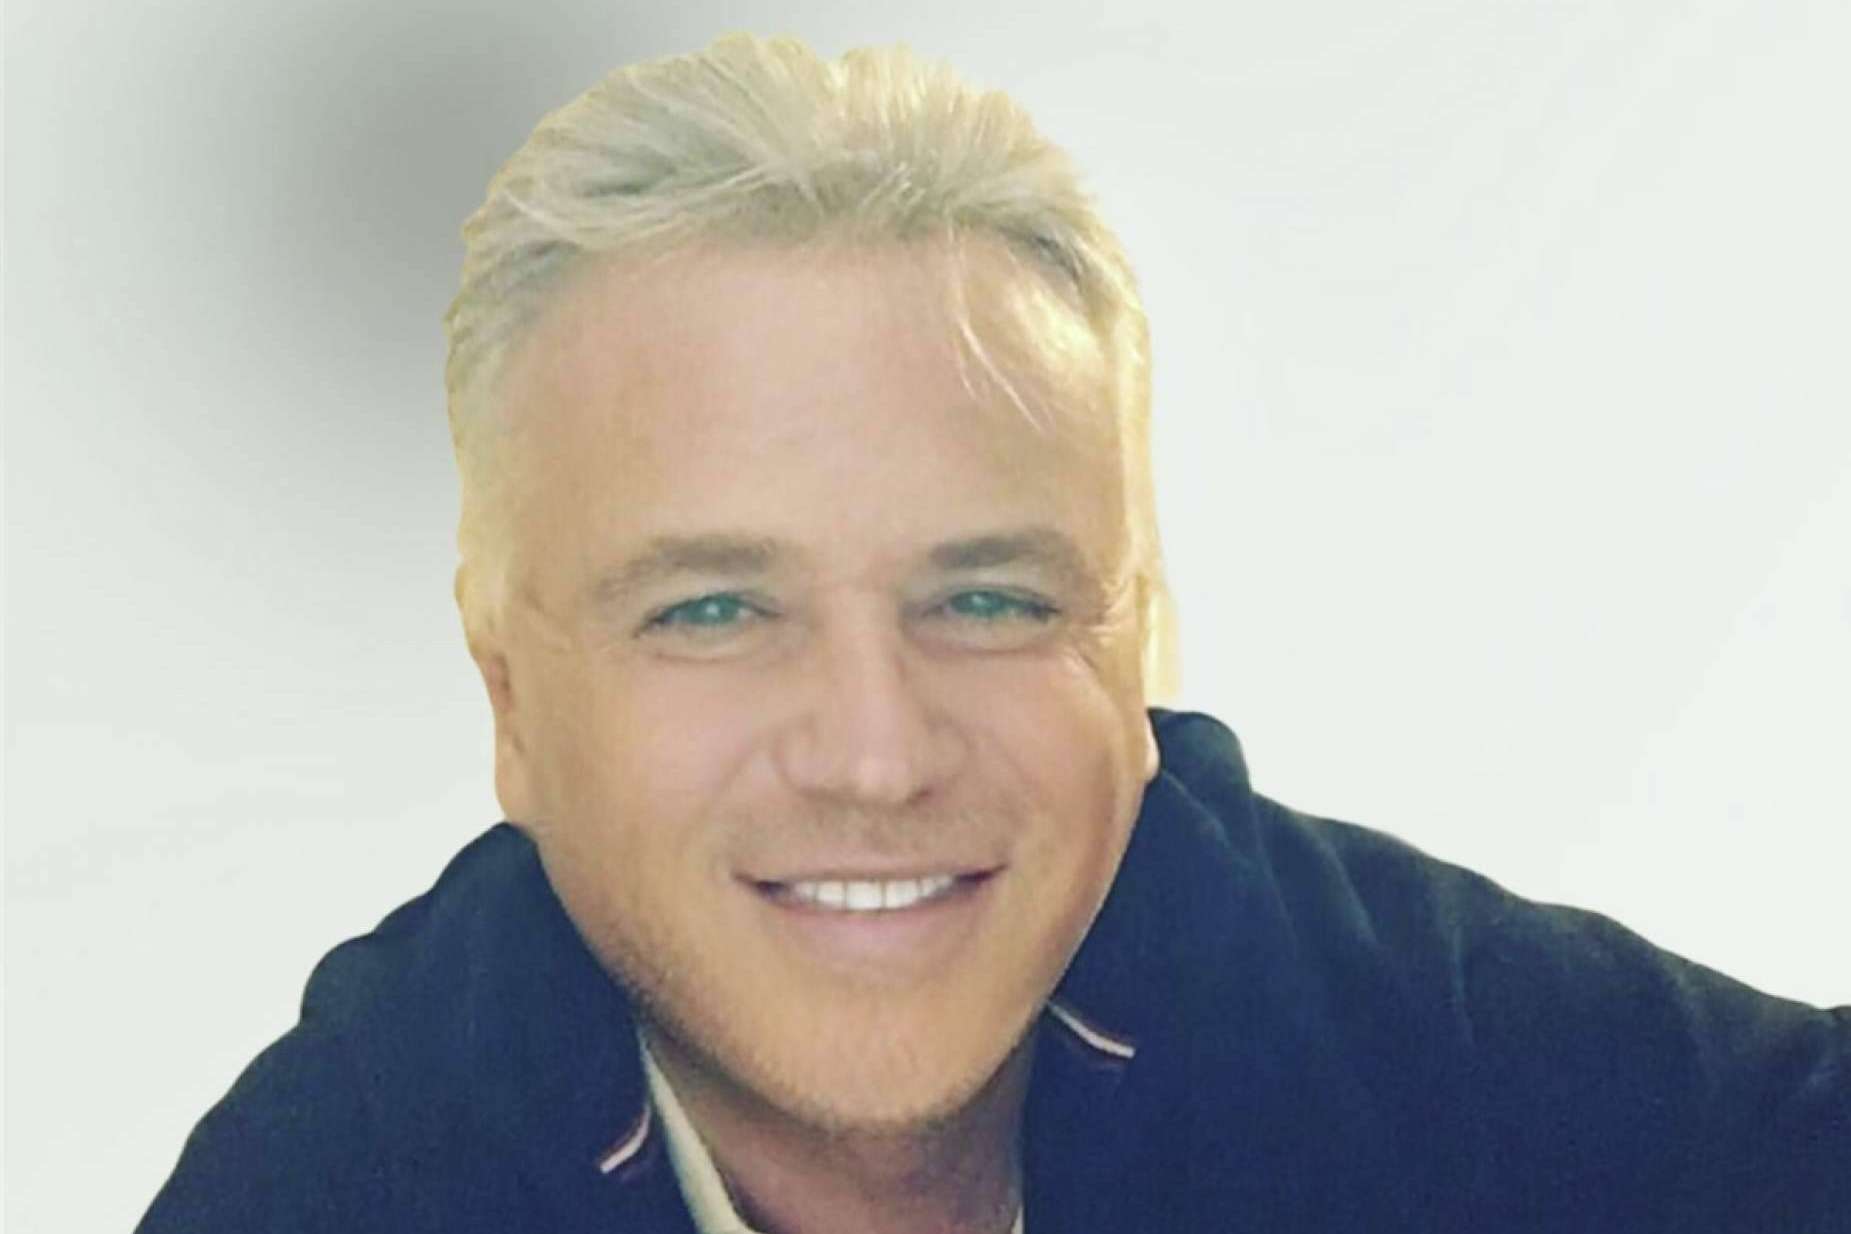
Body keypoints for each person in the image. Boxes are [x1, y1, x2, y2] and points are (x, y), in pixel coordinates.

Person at [138, 33, 1848, 1234]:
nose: (877, 756)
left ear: (1140, 647)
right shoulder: (327, 1187)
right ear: (510, 702)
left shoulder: (1427, 1047)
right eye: (714, 609)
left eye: (991, 599)